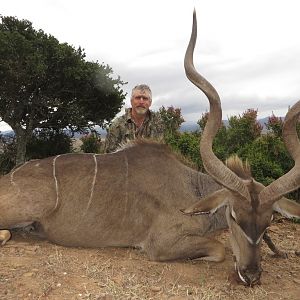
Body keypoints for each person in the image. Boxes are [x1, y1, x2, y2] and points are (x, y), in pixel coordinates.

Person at [104, 84, 164, 153]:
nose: (141, 102)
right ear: (131, 101)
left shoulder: (158, 124)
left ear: (150, 103)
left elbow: (159, 153)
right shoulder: (117, 125)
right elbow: (109, 156)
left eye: (145, 98)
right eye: (138, 98)